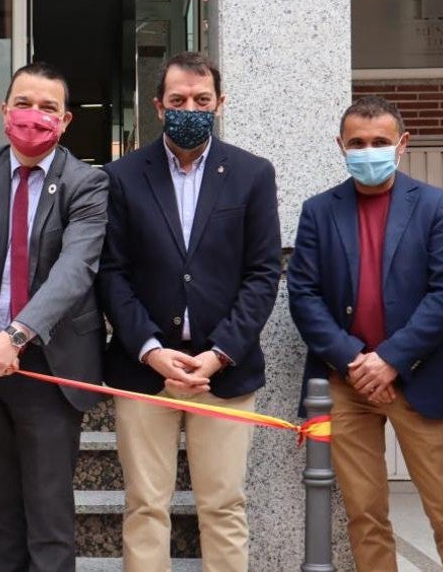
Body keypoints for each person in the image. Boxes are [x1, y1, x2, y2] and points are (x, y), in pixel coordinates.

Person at [96, 51, 280, 572]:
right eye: (177, 100)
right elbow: (112, 273)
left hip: (224, 372)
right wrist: (151, 350)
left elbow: (263, 274)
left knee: (223, 506)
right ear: (158, 106)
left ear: (220, 103)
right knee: (145, 507)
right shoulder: (122, 176)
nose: (190, 109)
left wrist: (220, 352)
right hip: (143, 368)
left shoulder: (251, 174)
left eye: (201, 100)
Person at [288, 96, 443, 571]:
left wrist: (391, 358)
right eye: (357, 142)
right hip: (347, 383)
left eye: (379, 141)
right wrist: (354, 359)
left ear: (402, 143)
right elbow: (304, 296)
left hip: (421, 378)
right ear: (341, 145)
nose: (368, 150)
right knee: (365, 515)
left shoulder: (435, 205)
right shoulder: (319, 211)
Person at [0, 61, 107, 572]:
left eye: (47, 108)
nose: (32, 116)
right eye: (23, 103)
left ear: (65, 121)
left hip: (49, 366)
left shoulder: (87, 183)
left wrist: (15, 336)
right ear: (3, 110)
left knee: (49, 519)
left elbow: (75, 268)